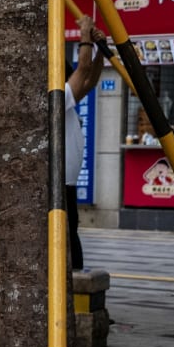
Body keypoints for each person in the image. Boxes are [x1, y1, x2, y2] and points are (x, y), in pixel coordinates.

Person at [65, 16, 104, 271]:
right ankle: (72, 280)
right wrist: (85, 36)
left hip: (66, 180)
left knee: (71, 230)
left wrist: (100, 51)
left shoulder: (67, 98)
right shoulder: (55, 97)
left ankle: (75, 278)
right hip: (56, 180)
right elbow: (83, 72)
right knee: (67, 234)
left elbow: (89, 80)